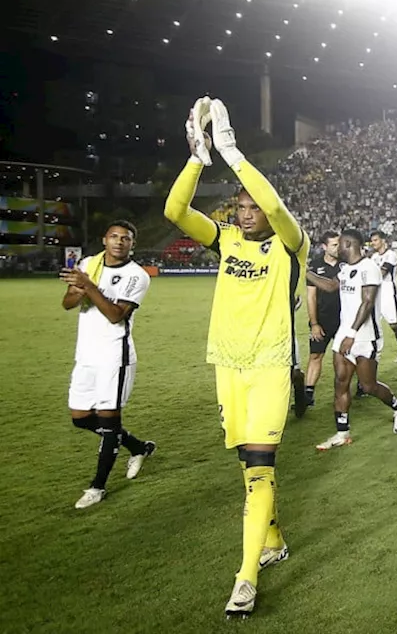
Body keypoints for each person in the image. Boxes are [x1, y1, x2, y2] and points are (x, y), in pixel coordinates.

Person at [163, 97, 309, 617]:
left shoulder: (292, 244)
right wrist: (198, 157)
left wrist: (232, 150)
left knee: (261, 465)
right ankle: (272, 537)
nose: (246, 213)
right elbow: (174, 212)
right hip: (227, 365)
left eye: (252, 206)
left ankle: (245, 579)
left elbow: (276, 210)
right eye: (239, 207)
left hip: (270, 364)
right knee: (247, 465)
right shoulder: (223, 240)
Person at [59, 220, 155, 509]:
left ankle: (97, 487)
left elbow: (116, 315)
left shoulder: (137, 276)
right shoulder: (90, 263)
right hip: (86, 354)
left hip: (115, 356)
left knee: (109, 419)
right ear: (104, 240)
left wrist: (88, 286)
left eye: (125, 238)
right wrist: (80, 288)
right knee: (80, 417)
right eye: (114, 236)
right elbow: (67, 303)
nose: (118, 242)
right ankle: (138, 447)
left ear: (132, 244)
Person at [311, 230, 397, 450]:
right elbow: (330, 286)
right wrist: (304, 271)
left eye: (339, 246)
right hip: (344, 336)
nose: (336, 250)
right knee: (340, 383)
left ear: (348, 244)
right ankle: (342, 433)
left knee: (368, 385)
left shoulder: (369, 268)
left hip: (366, 338)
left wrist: (352, 334)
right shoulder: (345, 269)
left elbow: (367, 302)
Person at [303, 231, 342, 409]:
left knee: (345, 358)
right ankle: (308, 394)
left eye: (339, 244)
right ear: (324, 247)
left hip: (345, 320)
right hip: (323, 320)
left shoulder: (347, 263)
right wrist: (314, 323)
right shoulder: (316, 264)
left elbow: (333, 287)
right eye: (334, 244)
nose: (338, 247)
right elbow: (311, 297)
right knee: (315, 355)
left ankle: (358, 386)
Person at [368, 231, 397, 363]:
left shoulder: (391, 255)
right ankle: (375, 353)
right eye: (372, 241)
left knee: (394, 324)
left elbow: (382, 273)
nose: (373, 243)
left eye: (376, 240)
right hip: (376, 294)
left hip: (389, 293)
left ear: (383, 240)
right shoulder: (373, 257)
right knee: (374, 324)